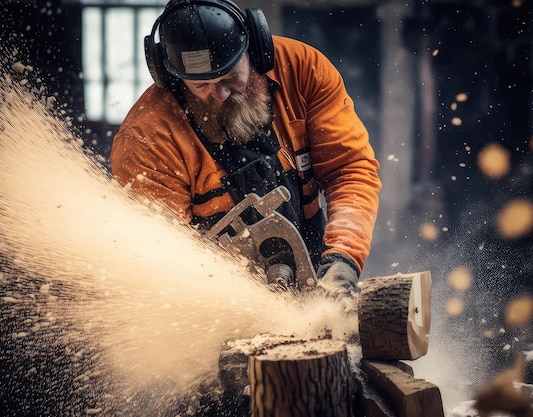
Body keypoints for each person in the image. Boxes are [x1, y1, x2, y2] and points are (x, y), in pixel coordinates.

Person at [109, 0, 381, 299]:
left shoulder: (303, 70)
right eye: (201, 85)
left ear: (254, 48)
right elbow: (164, 254)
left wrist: (343, 258)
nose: (220, 93)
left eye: (228, 77)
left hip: (318, 258)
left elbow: (349, 170)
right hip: (217, 293)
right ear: (167, 73)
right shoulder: (146, 139)